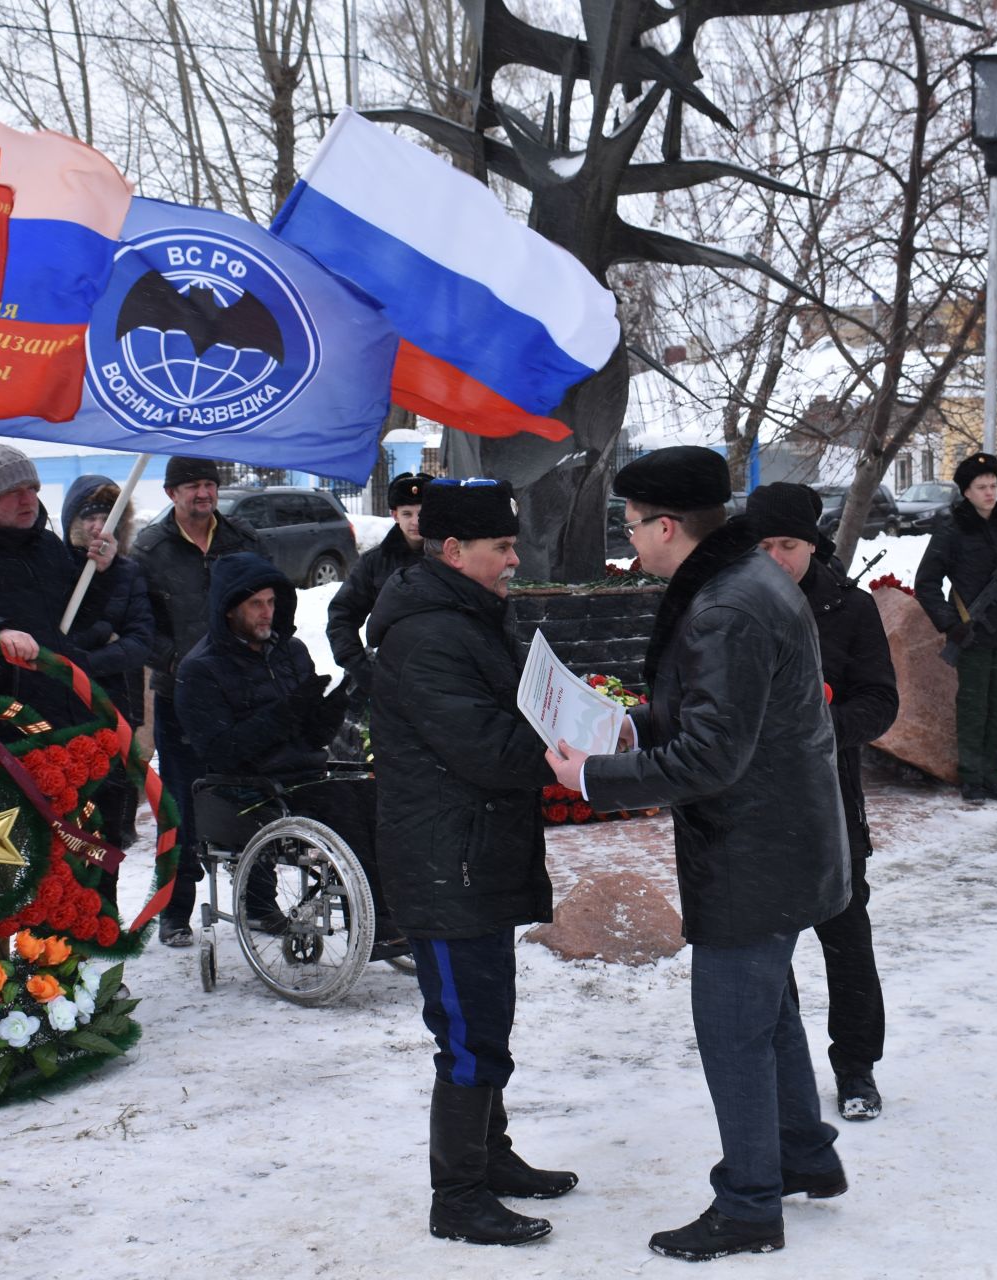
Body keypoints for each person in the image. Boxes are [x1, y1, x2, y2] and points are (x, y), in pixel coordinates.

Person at [548, 447, 848, 1262]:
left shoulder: (726, 605)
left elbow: (714, 756)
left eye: (634, 525)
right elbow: (717, 711)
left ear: (669, 526)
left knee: (731, 1028)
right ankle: (804, 1158)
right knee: (770, 1013)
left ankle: (749, 1205)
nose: (631, 540)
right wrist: (631, 724)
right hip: (779, 841)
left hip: (755, 849)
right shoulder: (743, 582)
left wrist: (594, 777)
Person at [368, 478, 574, 1248]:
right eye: (502, 548)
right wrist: (566, 754)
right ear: (452, 551)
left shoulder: (465, 616)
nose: (515, 560)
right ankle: (457, 1196)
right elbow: (484, 745)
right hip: (445, 859)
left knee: (488, 1016)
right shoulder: (428, 635)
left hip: (472, 851)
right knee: (465, 1029)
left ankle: (492, 1157)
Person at [745, 483, 899, 1124]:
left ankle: (856, 1065)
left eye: (789, 544)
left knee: (845, 938)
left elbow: (880, 700)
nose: (777, 557)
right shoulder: (733, 606)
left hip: (829, 803)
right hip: (751, 810)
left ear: (813, 545)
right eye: (764, 545)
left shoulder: (849, 608)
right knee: (761, 951)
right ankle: (776, 1069)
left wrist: (819, 724)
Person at [174, 552, 351, 926]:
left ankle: (378, 913)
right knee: (289, 810)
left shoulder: (291, 652)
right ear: (229, 610)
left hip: (303, 776)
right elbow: (222, 751)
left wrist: (339, 701)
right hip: (244, 786)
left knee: (368, 803)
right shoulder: (200, 669)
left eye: (271, 602)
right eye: (255, 604)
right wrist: (286, 711)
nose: (266, 612)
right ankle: (261, 906)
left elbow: (314, 736)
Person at [131, 455, 263, 948]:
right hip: (179, 699)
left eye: (209, 484)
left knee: (253, 798)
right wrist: (178, 664)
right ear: (171, 494)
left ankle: (260, 901)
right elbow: (140, 627)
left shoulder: (242, 541)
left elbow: (269, 602)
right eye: (191, 487)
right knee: (180, 807)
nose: (202, 494)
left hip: (241, 696)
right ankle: (174, 910)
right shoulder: (149, 549)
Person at [0, 444, 119, 728]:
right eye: (14, 492)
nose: (28, 500)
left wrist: (100, 574)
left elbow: (78, 619)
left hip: (63, 706)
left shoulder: (48, 545)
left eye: (33, 489)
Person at [914, 452, 997, 804]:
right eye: (981, 487)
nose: (990, 492)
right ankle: (972, 778)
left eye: (993, 485)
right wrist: (950, 625)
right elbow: (927, 583)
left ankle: (993, 776)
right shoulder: (952, 530)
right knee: (973, 707)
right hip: (971, 633)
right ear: (966, 491)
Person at [61, 475, 155, 848]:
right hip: (65, 708)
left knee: (114, 805)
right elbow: (57, 637)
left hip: (118, 702)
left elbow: (139, 642)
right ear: (73, 522)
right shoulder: (57, 568)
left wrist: (87, 660)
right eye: (90, 518)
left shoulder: (128, 573)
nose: (99, 526)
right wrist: (103, 636)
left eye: (108, 516)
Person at [326, 471, 431, 696]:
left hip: (440, 675)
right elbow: (342, 615)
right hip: (390, 673)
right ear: (394, 515)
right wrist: (360, 668)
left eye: (422, 513)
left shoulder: (454, 559)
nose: (415, 521)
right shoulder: (375, 562)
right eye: (407, 513)